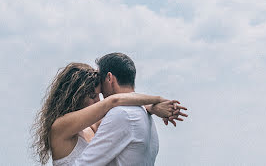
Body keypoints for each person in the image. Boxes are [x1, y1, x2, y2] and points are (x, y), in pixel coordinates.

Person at [32, 62, 186, 165]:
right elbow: (113, 102)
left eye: (99, 95)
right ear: (74, 97)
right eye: (92, 96)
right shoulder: (60, 127)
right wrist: (157, 99)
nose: (98, 101)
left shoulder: (92, 125)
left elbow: (120, 106)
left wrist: (151, 108)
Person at [75, 52, 184, 165]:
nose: (101, 91)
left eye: (101, 81)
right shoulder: (144, 113)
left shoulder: (121, 114)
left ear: (109, 78)